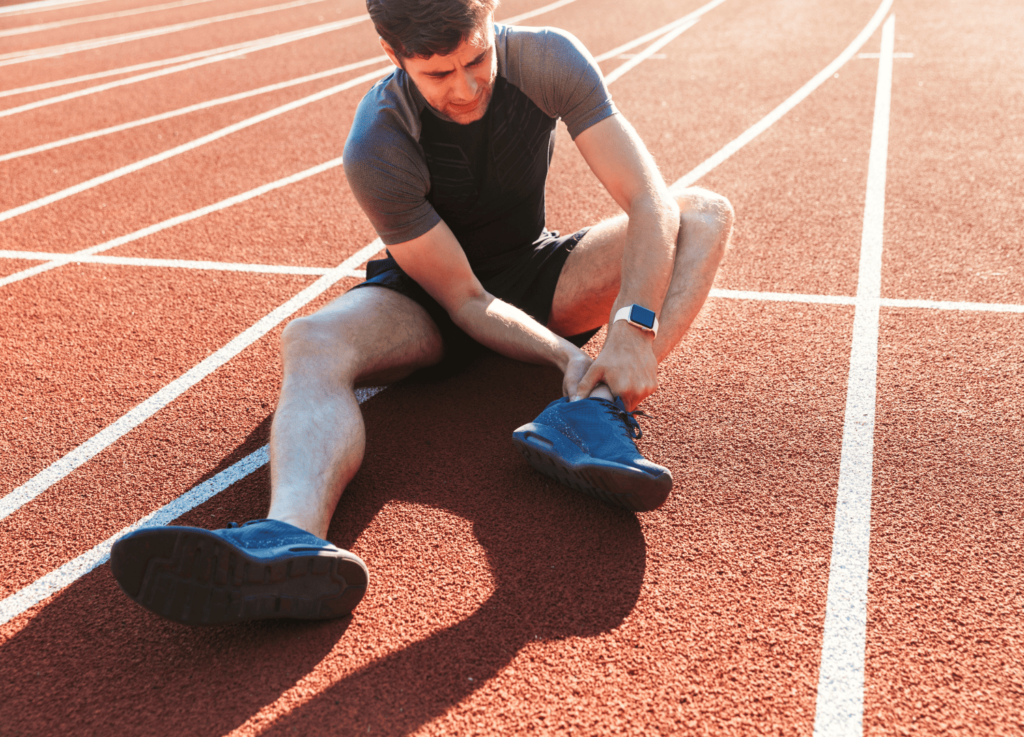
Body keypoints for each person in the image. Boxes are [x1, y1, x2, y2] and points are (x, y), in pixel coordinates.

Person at [109, 0, 733, 626]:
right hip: (430, 298)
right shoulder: (379, 141)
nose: (465, 88)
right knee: (313, 338)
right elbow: (465, 299)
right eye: (438, 75)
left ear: (491, 18)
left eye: (477, 59)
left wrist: (632, 330)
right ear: (394, 56)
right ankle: (289, 536)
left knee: (702, 213)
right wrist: (564, 353)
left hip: (538, 270)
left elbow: (648, 198)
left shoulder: (548, 59)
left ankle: (593, 414)